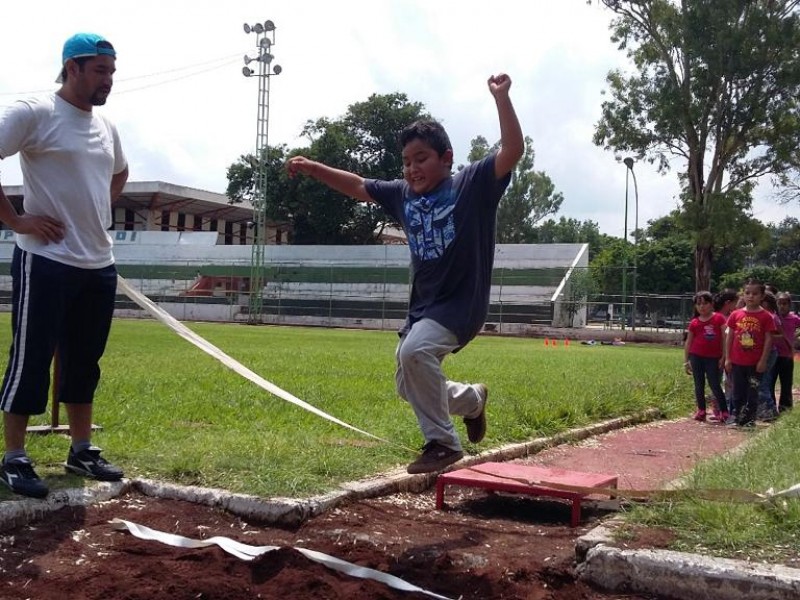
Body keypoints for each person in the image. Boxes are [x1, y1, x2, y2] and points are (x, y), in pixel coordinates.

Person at [287, 74, 524, 474]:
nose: (413, 169)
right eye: (407, 162)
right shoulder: (402, 195)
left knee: (415, 356)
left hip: (462, 303)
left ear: (446, 158)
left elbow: (513, 150)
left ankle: (443, 444)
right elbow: (359, 186)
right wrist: (314, 168)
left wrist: (501, 99)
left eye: (422, 159)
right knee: (408, 384)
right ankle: (471, 400)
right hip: (424, 307)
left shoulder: (472, 184)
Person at [0, 33, 128, 498]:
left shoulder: (105, 126)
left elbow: (119, 172)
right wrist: (14, 218)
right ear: (72, 68)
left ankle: (81, 449)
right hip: (46, 260)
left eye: (112, 71)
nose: (108, 80)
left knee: (84, 361)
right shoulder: (34, 112)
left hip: (99, 263)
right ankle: (14, 456)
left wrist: (97, 214)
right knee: (30, 357)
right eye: (100, 70)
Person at [724, 280, 778, 427]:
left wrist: (763, 360)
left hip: (755, 363)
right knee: (737, 391)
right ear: (743, 294)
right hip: (737, 362)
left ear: (762, 296)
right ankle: (736, 417)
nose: (750, 296)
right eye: (747, 293)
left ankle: (749, 419)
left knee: (753, 391)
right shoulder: (735, 314)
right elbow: (730, 337)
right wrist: (728, 358)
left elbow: (769, 339)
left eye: (755, 294)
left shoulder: (766, 316)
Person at [684, 291, 728, 422]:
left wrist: (724, 356)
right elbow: (689, 342)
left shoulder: (719, 319)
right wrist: (686, 360)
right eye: (699, 304)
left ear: (711, 304)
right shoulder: (694, 322)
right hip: (696, 356)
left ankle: (724, 410)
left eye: (705, 303)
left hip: (713, 357)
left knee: (714, 383)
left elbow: (725, 338)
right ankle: (701, 410)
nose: (702, 307)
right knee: (699, 384)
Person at [772, 292, 800, 412]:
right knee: (770, 382)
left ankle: (785, 408)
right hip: (773, 355)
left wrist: (795, 339)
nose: (782, 306)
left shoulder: (794, 318)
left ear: (789, 305)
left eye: (785, 303)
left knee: (786, 383)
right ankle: (770, 407)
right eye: (779, 303)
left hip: (787, 355)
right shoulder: (773, 317)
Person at [756, 291, 781, 421]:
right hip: (763, 352)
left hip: (769, 352)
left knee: (763, 382)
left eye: (761, 301)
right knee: (760, 381)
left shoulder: (770, 316)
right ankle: (767, 410)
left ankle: (769, 410)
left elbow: (778, 335)